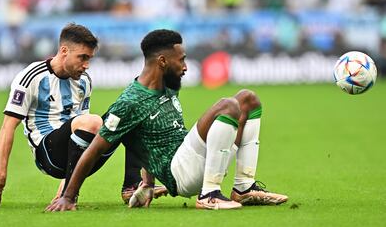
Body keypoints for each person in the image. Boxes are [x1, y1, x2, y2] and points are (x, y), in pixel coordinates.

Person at [46, 29, 288, 211]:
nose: (185, 66)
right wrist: (69, 196)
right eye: (181, 59)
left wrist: (147, 183)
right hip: (180, 172)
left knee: (248, 99)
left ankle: (243, 187)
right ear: (162, 61)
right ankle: (209, 195)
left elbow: (143, 138)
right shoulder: (130, 102)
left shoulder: (167, 84)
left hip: (194, 159)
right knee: (228, 106)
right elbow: (96, 148)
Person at [0, 23, 166, 206]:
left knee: (132, 113)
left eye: (90, 59)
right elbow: (8, 126)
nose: (86, 65)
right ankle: (69, 194)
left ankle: (131, 186)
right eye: (82, 57)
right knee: (93, 121)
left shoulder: (84, 81)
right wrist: (0, 173)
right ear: (64, 51)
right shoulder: (31, 77)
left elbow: (83, 138)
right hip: (48, 155)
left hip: (79, 153)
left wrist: (65, 187)